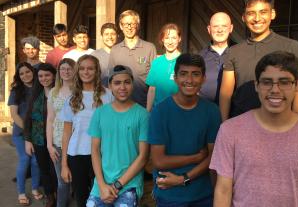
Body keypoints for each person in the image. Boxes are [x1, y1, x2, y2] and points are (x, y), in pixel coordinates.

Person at [210, 51, 298, 207]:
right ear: (257, 85)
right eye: (267, 82)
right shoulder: (230, 131)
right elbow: (223, 190)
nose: (275, 90)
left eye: (284, 82)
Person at [219, 0, 298, 121]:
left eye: (263, 12)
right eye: (251, 13)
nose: (257, 18)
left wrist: (294, 126)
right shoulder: (233, 51)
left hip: (280, 124)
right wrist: (224, 125)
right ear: (243, 17)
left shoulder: (291, 46)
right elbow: (225, 94)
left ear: (272, 14)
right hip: (242, 125)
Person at [148, 54, 222, 206]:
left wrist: (183, 179)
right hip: (169, 194)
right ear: (175, 78)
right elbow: (159, 161)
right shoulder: (160, 111)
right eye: (183, 74)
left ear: (203, 78)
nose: (189, 80)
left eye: (195, 74)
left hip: (202, 194)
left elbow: (213, 157)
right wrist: (195, 158)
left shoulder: (212, 111)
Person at [86, 65, 149, 207]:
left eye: (127, 82)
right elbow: (95, 151)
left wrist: (117, 185)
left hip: (129, 184)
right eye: (117, 83)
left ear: (132, 84)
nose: (122, 87)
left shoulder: (143, 115)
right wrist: (102, 185)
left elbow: (143, 157)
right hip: (101, 183)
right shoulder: (100, 113)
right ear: (109, 86)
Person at [60, 55, 114, 207]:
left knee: (105, 196)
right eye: (82, 68)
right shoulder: (72, 99)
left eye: (90, 68)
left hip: (103, 153)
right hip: (77, 154)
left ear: (97, 71)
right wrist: (64, 165)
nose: (86, 72)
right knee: (82, 198)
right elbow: (66, 133)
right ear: (77, 72)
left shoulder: (108, 95)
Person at [8, 62, 43, 206]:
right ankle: (21, 192)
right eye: (21, 74)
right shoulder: (16, 91)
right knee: (25, 160)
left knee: (36, 161)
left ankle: (35, 188)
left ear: (33, 72)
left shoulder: (39, 88)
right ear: (18, 76)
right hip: (21, 132)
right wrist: (28, 131)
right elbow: (14, 115)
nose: (25, 75)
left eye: (27, 72)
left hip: (38, 131)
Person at [24, 63, 58, 207]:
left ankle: (60, 192)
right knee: (44, 169)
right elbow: (27, 119)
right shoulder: (35, 95)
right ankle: (50, 196)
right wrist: (28, 140)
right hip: (38, 139)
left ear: (54, 75)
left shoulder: (61, 93)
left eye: (47, 75)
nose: (44, 78)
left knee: (56, 169)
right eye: (41, 76)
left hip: (57, 139)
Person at [109, 10, 157, 107]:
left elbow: (154, 83)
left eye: (132, 24)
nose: (129, 27)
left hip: (143, 106)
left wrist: (148, 109)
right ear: (121, 26)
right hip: (120, 107)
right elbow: (111, 80)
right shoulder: (115, 50)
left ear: (138, 25)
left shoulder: (149, 48)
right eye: (126, 24)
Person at [46, 58, 76, 207]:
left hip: (77, 141)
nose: (66, 71)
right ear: (59, 72)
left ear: (74, 70)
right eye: (62, 69)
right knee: (62, 181)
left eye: (69, 68)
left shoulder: (80, 90)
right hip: (58, 141)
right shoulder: (53, 92)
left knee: (78, 180)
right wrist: (49, 145)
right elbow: (50, 119)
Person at [146, 23, 181, 112]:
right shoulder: (157, 62)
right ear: (162, 39)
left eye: (173, 38)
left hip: (178, 111)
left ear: (179, 39)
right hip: (158, 111)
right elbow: (152, 89)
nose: (170, 42)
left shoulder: (184, 61)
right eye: (167, 38)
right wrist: (148, 111)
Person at [199, 12, 233, 104]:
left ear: (231, 28)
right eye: (215, 26)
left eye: (224, 26)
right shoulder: (200, 57)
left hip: (234, 115)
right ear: (209, 29)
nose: (220, 30)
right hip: (206, 113)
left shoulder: (239, 53)